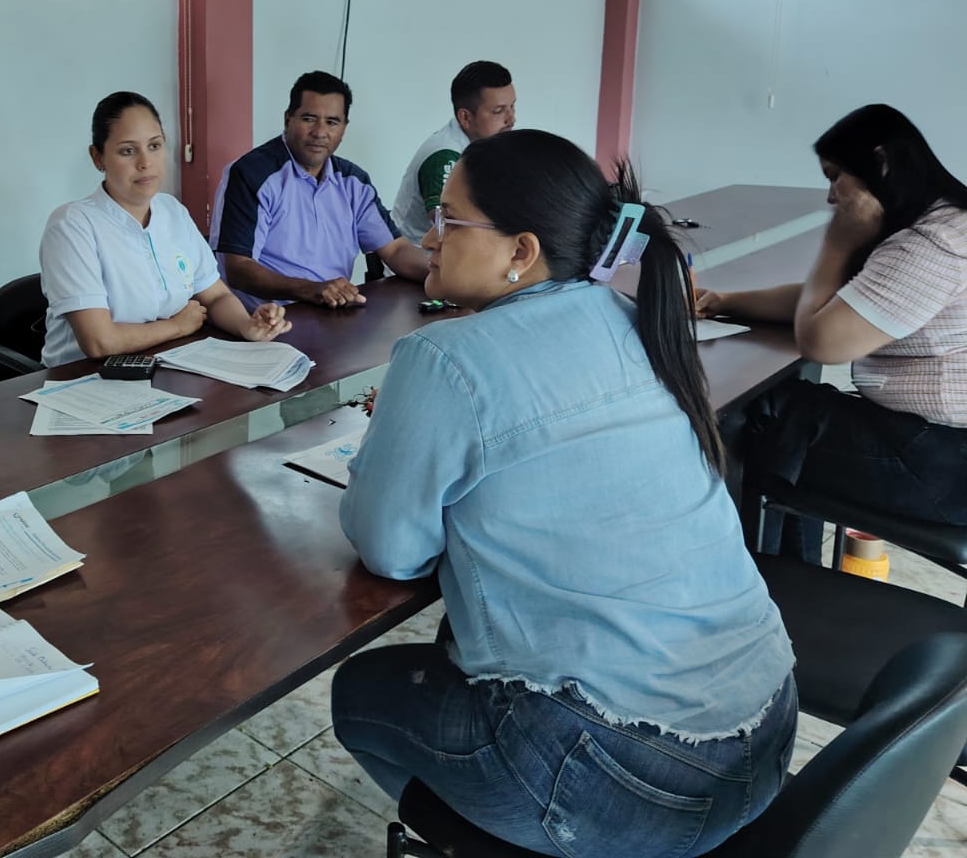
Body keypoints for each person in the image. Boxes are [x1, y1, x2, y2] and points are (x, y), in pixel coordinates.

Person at [330, 131, 796, 858]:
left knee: (361, 693)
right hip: (765, 734)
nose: (429, 237)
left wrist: (392, 440)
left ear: (521, 250)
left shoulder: (444, 356)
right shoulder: (636, 318)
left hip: (622, 781)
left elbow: (391, 551)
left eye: (450, 220)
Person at [696, 104, 967, 563]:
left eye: (835, 176)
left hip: (941, 467)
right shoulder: (944, 221)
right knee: (792, 413)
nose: (830, 197)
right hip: (938, 449)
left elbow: (822, 340)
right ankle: (789, 568)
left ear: (880, 163)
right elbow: (837, 303)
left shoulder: (932, 245)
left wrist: (838, 242)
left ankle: (766, 577)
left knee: (753, 422)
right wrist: (724, 301)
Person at [40, 92, 291, 367]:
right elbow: (99, 342)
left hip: (166, 366)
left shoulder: (172, 211)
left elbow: (216, 295)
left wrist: (247, 325)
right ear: (97, 157)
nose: (145, 163)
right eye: (128, 151)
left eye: (154, 146)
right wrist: (177, 326)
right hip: (84, 378)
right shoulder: (72, 226)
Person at [210, 71, 428, 310]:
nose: (320, 132)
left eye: (332, 122)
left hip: (332, 312)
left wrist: (442, 273)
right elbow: (239, 269)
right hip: (264, 319)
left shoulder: (353, 182)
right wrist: (310, 289)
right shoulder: (252, 174)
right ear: (288, 119)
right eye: (309, 119)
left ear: (344, 128)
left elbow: (395, 250)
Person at [390, 60, 516, 240]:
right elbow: (451, 225)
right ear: (465, 118)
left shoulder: (486, 146)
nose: (511, 119)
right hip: (418, 252)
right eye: (498, 111)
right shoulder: (444, 155)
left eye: (512, 107)